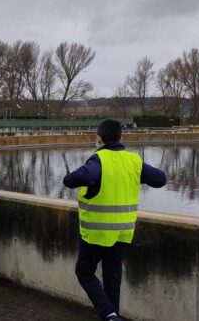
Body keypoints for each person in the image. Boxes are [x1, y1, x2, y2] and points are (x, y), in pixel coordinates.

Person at [62, 119, 167, 321]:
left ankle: (109, 314)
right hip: (122, 232)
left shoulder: (98, 159)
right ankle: (113, 316)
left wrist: (71, 178)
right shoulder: (133, 161)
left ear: (98, 139)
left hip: (97, 233)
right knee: (112, 278)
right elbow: (160, 179)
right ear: (122, 137)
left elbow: (74, 179)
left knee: (84, 272)